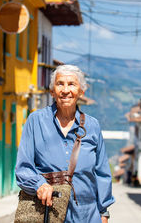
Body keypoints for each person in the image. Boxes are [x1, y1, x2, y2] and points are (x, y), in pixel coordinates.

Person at [15, 64, 115, 223]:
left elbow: (101, 173)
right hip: (48, 213)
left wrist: (103, 213)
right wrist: (39, 185)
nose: (66, 90)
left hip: (87, 216)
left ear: (81, 92)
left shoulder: (92, 126)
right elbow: (23, 167)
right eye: (60, 84)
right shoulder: (35, 121)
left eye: (72, 84)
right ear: (52, 91)